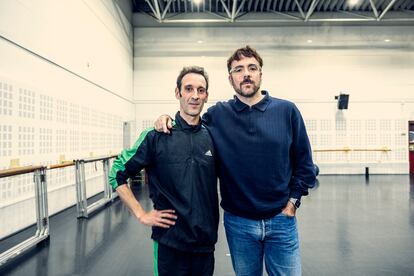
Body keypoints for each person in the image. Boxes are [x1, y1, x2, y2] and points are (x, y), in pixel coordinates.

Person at [155, 46, 316, 276]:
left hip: (281, 221)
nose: (246, 74)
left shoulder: (287, 111)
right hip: (239, 224)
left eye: (252, 68)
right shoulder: (218, 115)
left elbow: (305, 164)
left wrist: (293, 203)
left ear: (261, 73)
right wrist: (166, 117)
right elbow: (190, 123)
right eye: (238, 70)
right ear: (230, 79)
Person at [109, 66, 219, 276]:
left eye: (200, 90)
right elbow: (117, 173)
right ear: (178, 93)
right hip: (170, 243)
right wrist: (141, 214)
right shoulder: (155, 136)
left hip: (205, 244)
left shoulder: (212, 137)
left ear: (206, 96)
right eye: (188, 89)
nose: (195, 96)